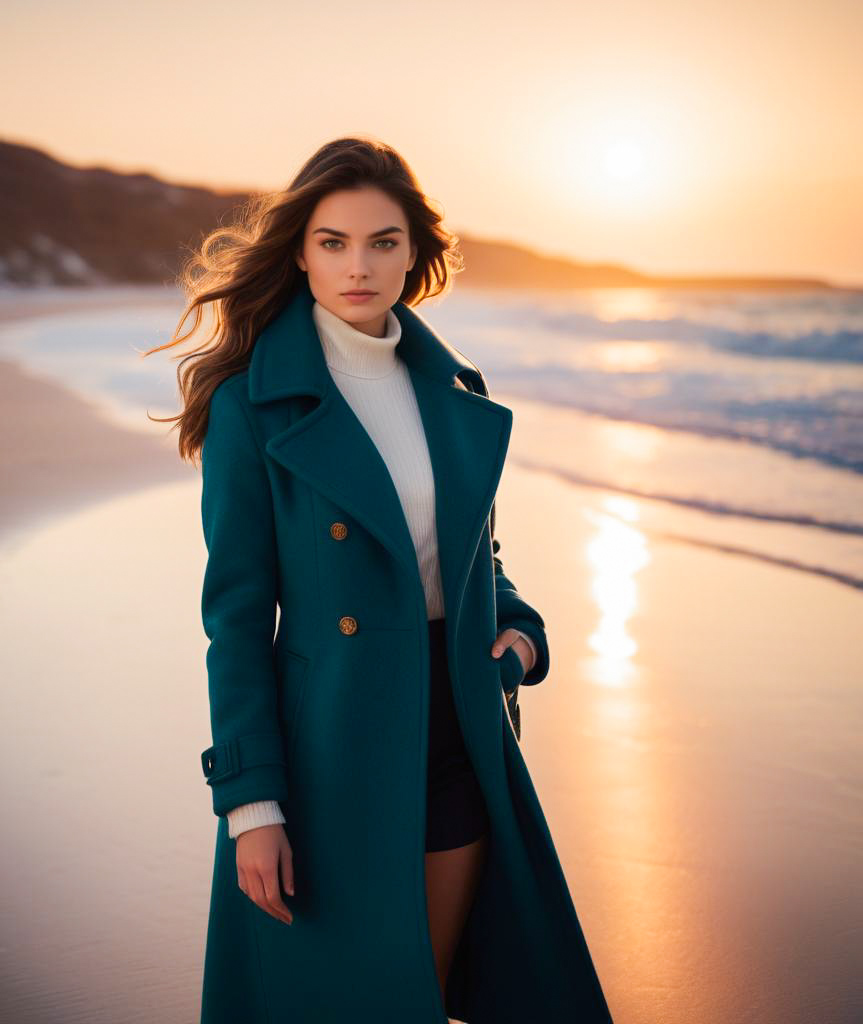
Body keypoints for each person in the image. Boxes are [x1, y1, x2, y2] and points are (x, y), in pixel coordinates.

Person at [149, 136, 613, 1023]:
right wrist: (250, 801)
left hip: (457, 724)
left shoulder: (450, 391)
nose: (358, 266)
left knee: (422, 994)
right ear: (300, 250)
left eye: (382, 242)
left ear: (416, 254)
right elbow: (238, 619)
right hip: (330, 742)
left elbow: (473, 553)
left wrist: (519, 628)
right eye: (333, 242)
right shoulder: (254, 403)